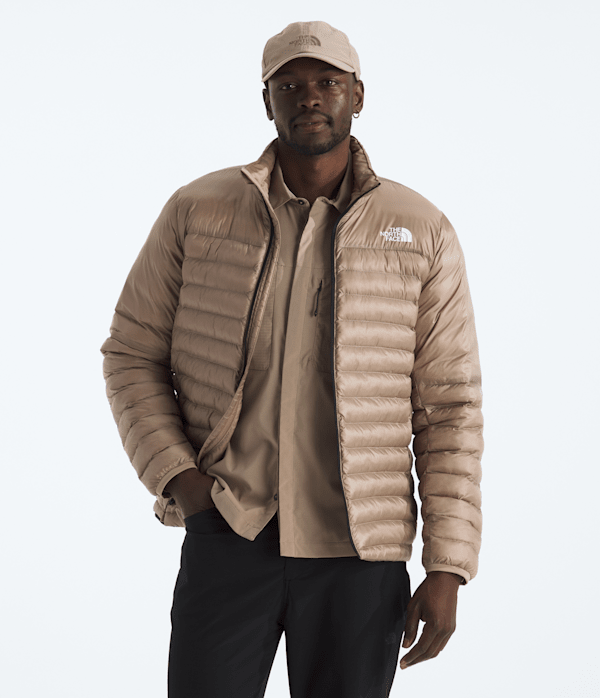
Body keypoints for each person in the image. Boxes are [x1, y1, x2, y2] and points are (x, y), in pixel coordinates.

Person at [101, 20, 484, 698]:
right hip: (231, 528)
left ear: (357, 95)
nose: (309, 96)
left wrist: (447, 565)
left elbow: (449, 405)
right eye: (289, 85)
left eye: (328, 82)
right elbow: (131, 353)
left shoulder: (421, 229)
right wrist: (182, 482)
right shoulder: (198, 211)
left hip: (361, 553)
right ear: (266, 101)